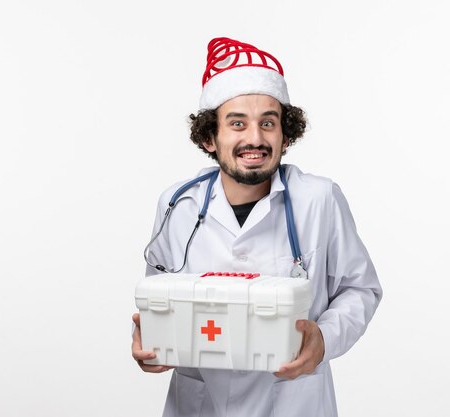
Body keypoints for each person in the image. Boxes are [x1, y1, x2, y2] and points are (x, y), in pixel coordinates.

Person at [131, 37, 382, 417]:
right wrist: (150, 338)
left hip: (292, 402)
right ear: (208, 137)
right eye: (237, 123)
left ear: (286, 133)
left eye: (268, 123)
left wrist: (324, 340)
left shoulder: (318, 199)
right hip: (200, 404)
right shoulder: (177, 205)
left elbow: (360, 289)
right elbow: (158, 298)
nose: (255, 138)